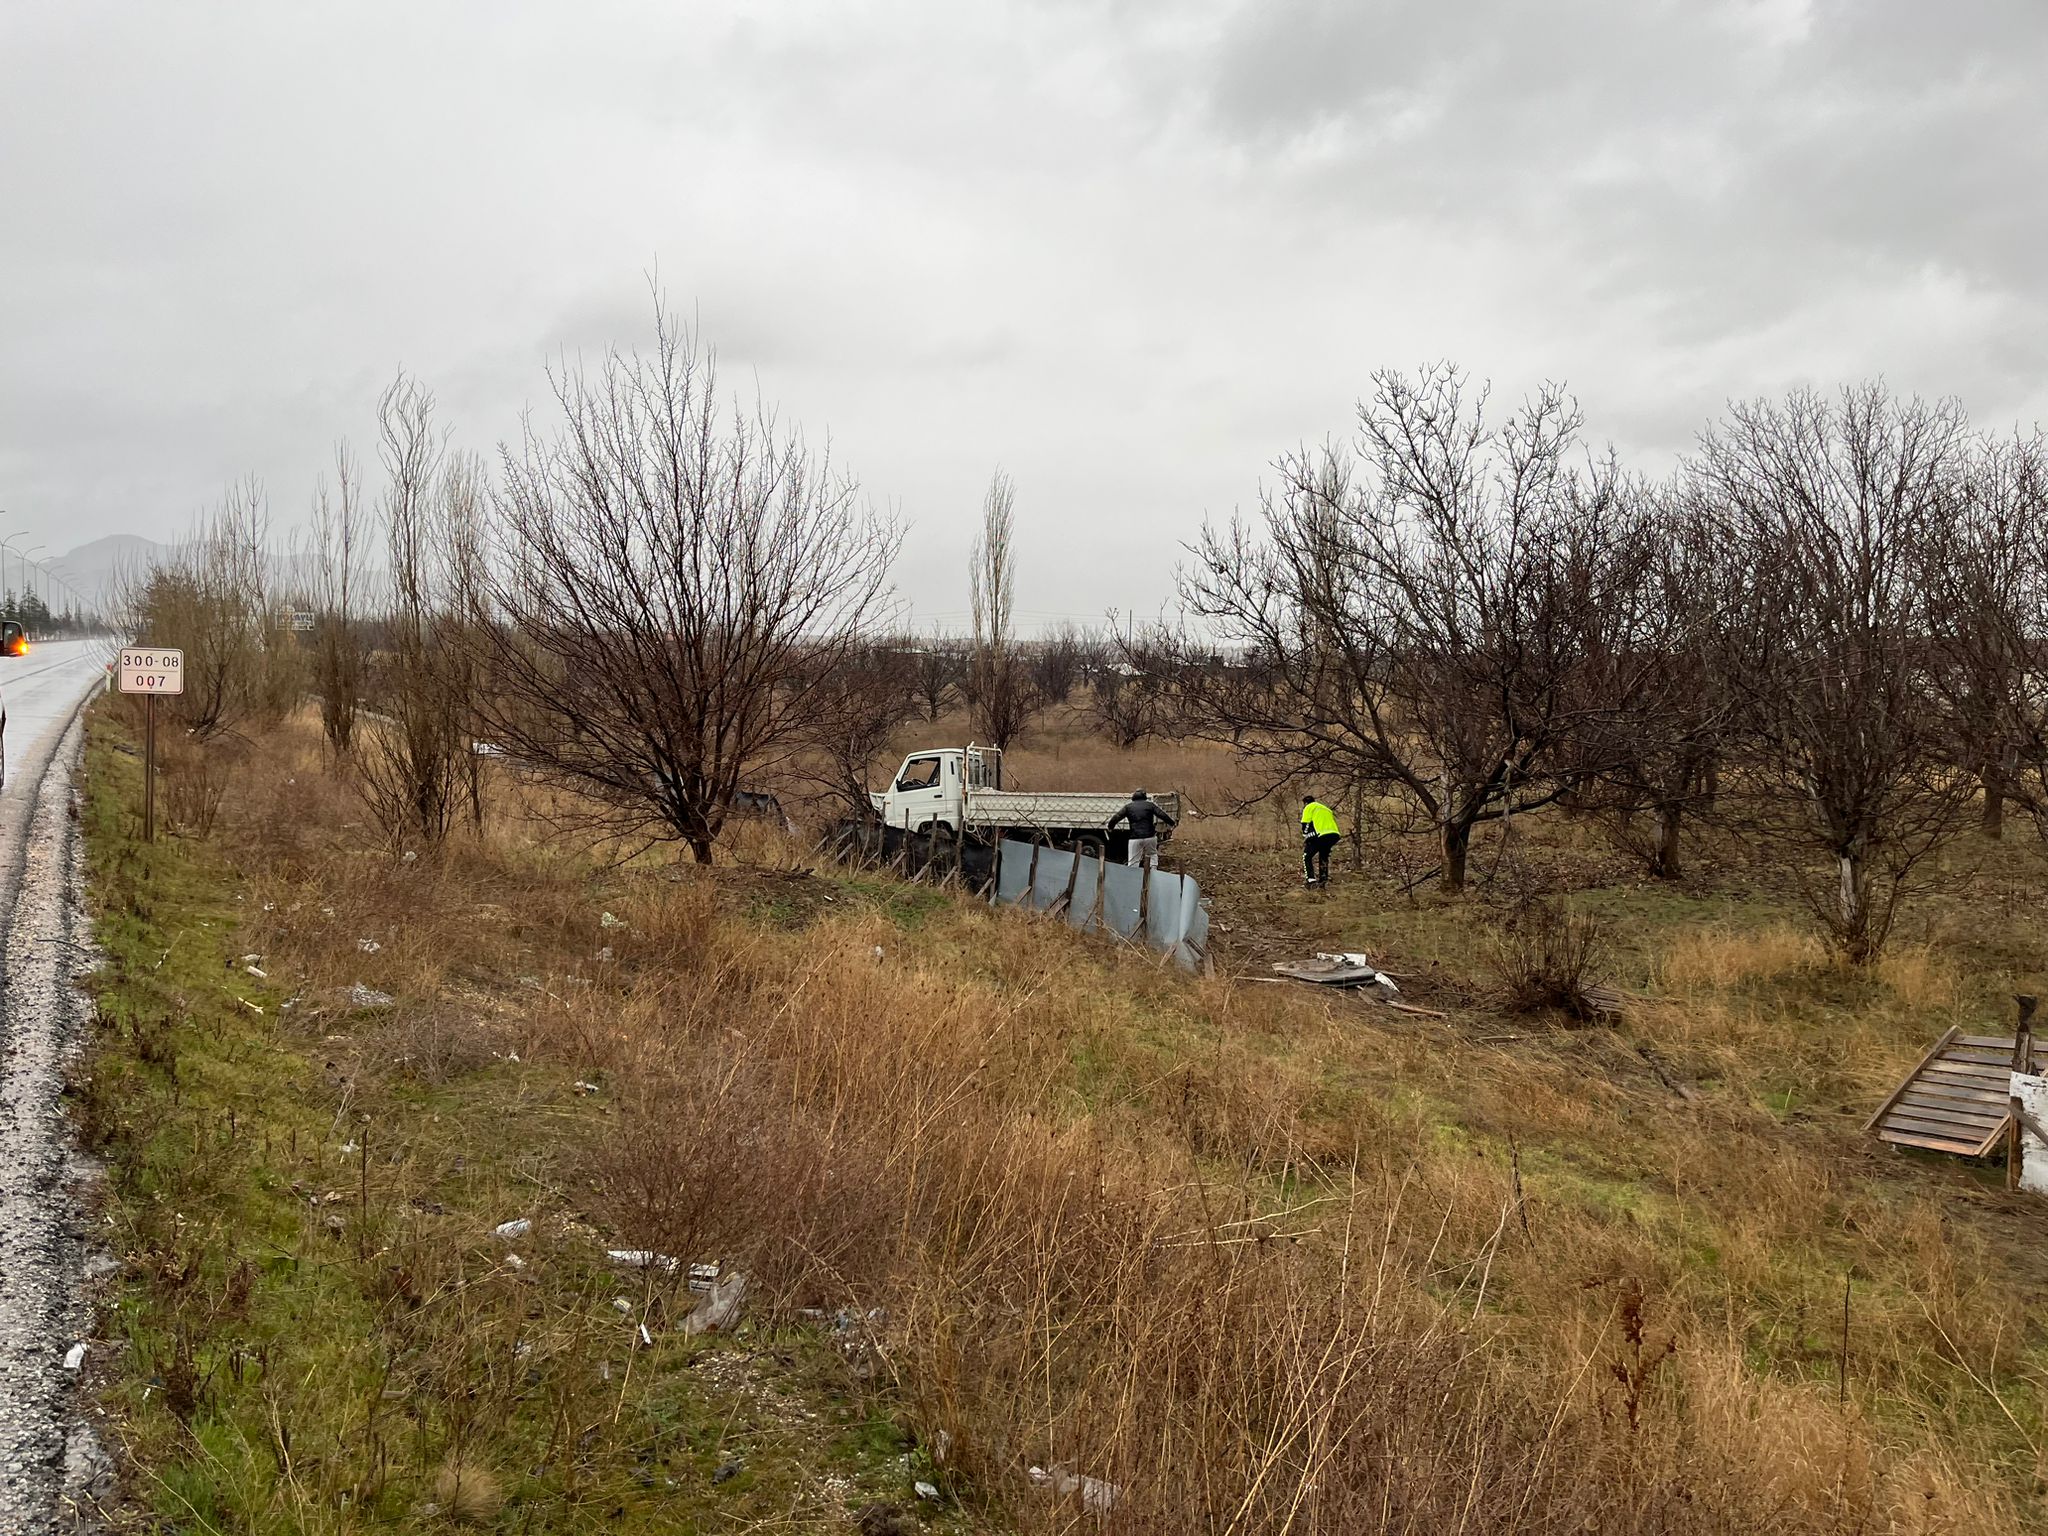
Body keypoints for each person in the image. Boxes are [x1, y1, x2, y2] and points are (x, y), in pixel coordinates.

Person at [1107, 787, 1176, 868]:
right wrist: (1171, 823)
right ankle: (1153, 874)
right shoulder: (1150, 805)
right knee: (1152, 855)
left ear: (1134, 796)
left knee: (1133, 861)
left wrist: (1110, 827)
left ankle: (1134, 878)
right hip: (1150, 837)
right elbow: (1162, 814)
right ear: (1144, 796)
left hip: (1135, 838)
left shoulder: (1128, 807)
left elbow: (1116, 817)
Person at [1300, 794, 1341, 887]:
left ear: (1305, 803)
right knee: (1323, 855)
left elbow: (1305, 824)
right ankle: (1323, 879)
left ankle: (1311, 880)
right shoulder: (1325, 808)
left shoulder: (1309, 807)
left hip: (1321, 834)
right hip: (1334, 834)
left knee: (1307, 856)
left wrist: (1306, 836)